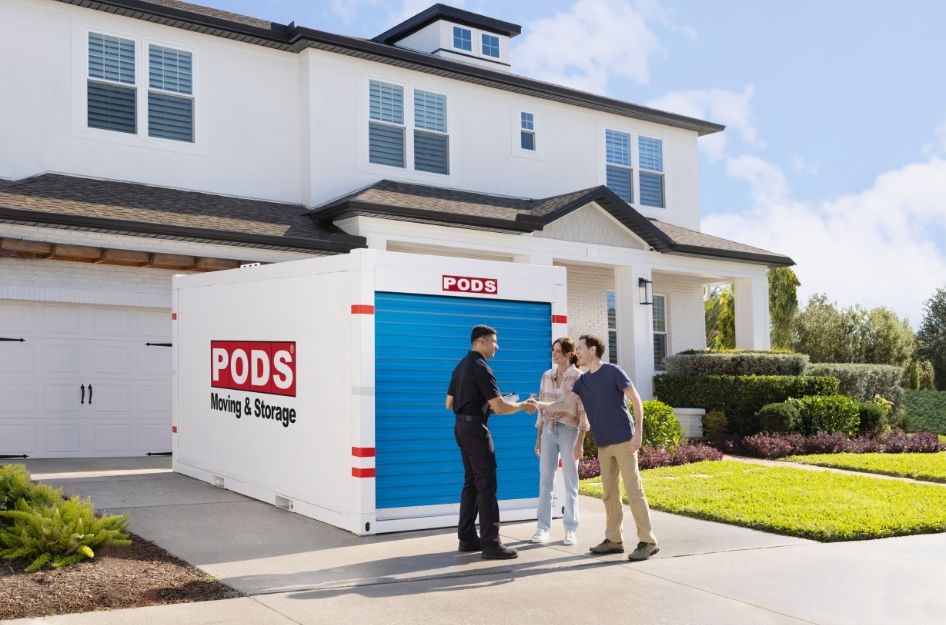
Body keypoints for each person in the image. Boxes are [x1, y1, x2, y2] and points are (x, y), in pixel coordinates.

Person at [529, 334, 659, 562]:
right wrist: (539, 405)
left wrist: (638, 432)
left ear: (592, 350)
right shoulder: (583, 381)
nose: (577, 352)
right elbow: (565, 404)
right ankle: (613, 540)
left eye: (580, 348)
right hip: (603, 443)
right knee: (609, 493)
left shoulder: (613, 372)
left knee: (633, 491)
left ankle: (648, 541)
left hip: (624, 440)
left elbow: (636, 399)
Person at [446, 324, 536, 560]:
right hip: (476, 430)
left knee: (471, 482)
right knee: (486, 484)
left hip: (460, 427)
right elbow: (499, 407)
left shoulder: (460, 366)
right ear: (481, 342)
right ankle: (491, 544)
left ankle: (467, 538)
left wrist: (484, 403)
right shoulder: (481, 367)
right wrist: (522, 406)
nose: (498, 346)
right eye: (494, 341)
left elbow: (448, 403)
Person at [531, 337, 589, 546]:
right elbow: (542, 407)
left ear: (568, 353)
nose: (554, 354)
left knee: (570, 481)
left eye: (557, 351)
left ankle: (570, 529)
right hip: (548, 430)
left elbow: (583, 410)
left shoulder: (579, 377)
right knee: (545, 480)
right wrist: (538, 436)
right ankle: (542, 528)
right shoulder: (547, 375)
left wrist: (581, 440)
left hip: (570, 431)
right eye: (553, 350)